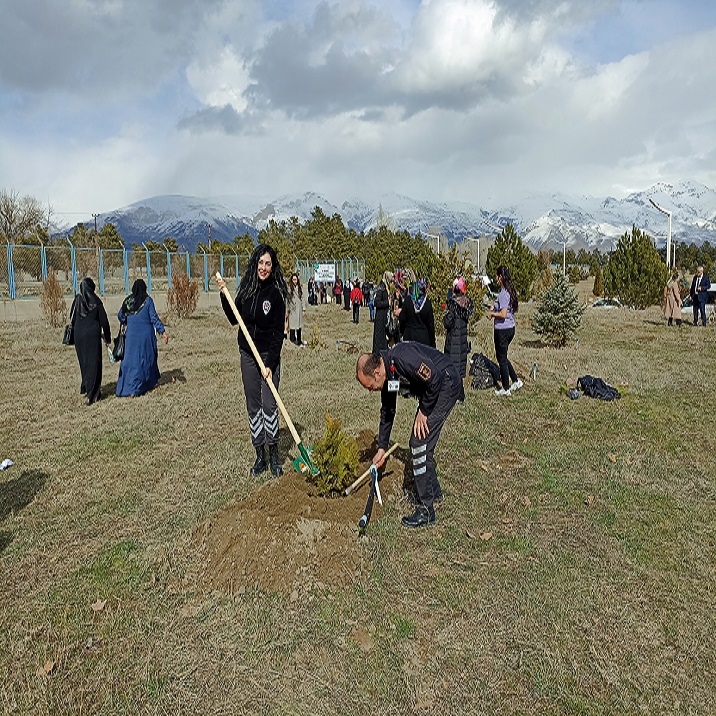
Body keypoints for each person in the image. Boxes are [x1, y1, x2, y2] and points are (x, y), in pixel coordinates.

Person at [356, 342, 461, 528]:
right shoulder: (388, 374)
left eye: (370, 386)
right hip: (436, 387)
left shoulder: (403, 357)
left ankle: (426, 510)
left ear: (377, 373)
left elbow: (434, 377)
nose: (372, 391)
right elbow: (388, 411)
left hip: (446, 383)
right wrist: (382, 448)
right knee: (423, 443)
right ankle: (434, 492)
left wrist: (424, 410)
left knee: (419, 442)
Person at [218, 244, 288, 477]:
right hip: (248, 355)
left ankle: (274, 453)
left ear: (272, 266)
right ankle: (260, 455)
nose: (264, 268)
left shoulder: (276, 296)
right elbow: (233, 318)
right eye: (260, 263)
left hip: (268, 357)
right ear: (255, 264)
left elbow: (279, 333)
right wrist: (223, 294)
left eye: (268, 263)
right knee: (253, 404)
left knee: (269, 404)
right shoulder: (247, 290)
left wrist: (270, 364)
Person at [116, 279, 168, 398]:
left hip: (131, 337)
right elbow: (154, 318)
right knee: (147, 358)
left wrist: (127, 320)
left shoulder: (128, 301)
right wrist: (162, 331)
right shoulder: (148, 300)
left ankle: (128, 388)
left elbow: (120, 316)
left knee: (131, 362)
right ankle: (145, 384)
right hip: (146, 336)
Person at [71, 277, 111, 405]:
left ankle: (89, 388)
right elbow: (104, 321)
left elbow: (72, 317)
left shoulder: (77, 300)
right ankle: (92, 394)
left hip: (79, 337)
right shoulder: (97, 301)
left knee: (85, 363)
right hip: (92, 336)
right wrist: (108, 337)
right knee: (94, 363)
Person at [486, 265, 522, 396]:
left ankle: (506, 388)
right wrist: (492, 307)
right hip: (510, 328)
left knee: (501, 359)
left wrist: (492, 314)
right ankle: (516, 381)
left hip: (502, 330)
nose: (495, 279)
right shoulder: (508, 292)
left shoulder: (503, 294)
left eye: (496, 276)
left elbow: (503, 314)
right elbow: (502, 308)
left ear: (500, 277)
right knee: (504, 357)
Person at [443, 276, 474, 389]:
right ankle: (460, 395)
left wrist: (446, 314)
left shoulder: (453, 305)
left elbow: (447, 323)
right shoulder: (466, 303)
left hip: (453, 342)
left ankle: (455, 394)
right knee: (459, 367)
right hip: (462, 341)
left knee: (451, 368)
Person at [398, 277, 436, 347]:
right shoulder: (427, 304)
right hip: (423, 340)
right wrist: (433, 343)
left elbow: (402, 318)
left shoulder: (408, 301)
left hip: (409, 336)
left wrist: (402, 332)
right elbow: (430, 326)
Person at [372, 271, 392, 352]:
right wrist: (387, 303)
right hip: (380, 317)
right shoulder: (381, 288)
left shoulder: (386, 287)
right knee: (379, 339)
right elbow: (376, 302)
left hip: (385, 316)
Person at [286, 272, 307, 345]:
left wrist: (304, 309)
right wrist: (287, 310)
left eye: (296, 279)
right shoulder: (289, 288)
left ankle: (299, 339)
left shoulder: (300, 288)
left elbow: (303, 298)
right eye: (293, 280)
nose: (295, 281)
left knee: (299, 325)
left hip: (299, 308)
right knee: (292, 325)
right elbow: (287, 300)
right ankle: (292, 339)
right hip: (292, 309)